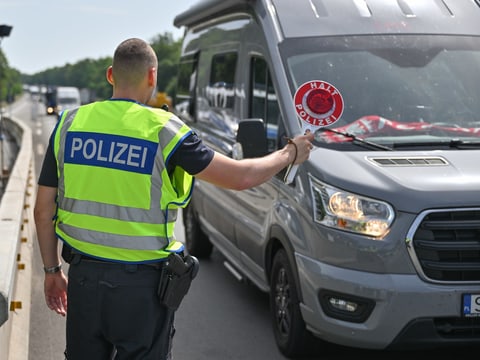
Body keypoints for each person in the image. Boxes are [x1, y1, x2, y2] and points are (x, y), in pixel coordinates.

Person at [33, 37, 314, 360]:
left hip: (83, 280)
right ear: (152, 76)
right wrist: (290, 153)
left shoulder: (69, 124)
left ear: (111, 75)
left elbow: (44, 212)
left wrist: (52, 271)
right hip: (141, 289)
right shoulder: (165, 130)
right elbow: (241, 177)